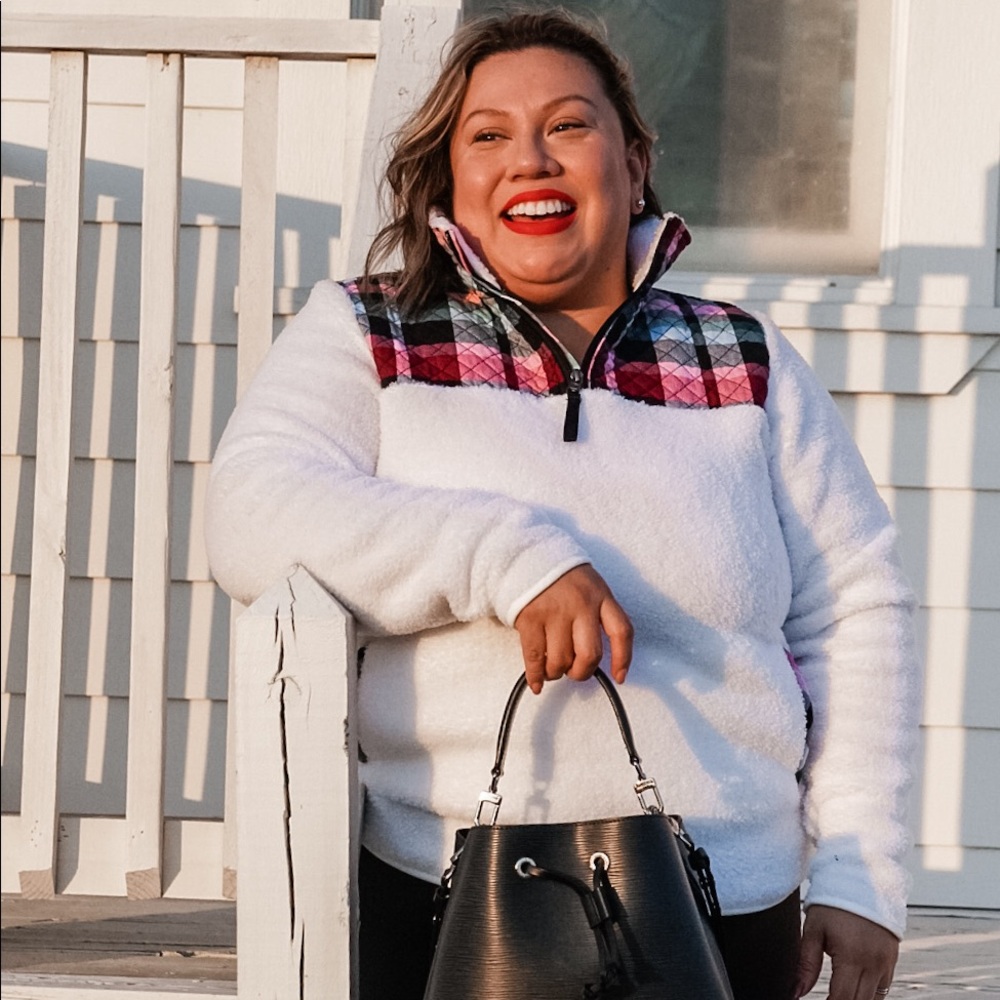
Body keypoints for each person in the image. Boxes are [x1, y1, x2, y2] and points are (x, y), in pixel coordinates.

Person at [206, 10, 919, 1000]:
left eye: (568, 126)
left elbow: (854, 605)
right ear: (448, 176)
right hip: (451, 900)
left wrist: (857, 867)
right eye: (487, 135)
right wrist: (507, 557)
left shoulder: (742, 358)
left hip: (729, 906)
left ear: (632, 159)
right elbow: (252, 510)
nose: (528, 160)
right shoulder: (372, 332)